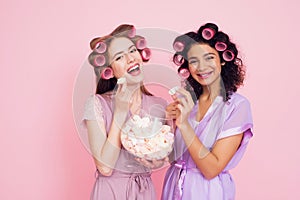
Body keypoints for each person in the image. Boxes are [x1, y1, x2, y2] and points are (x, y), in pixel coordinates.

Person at [161, 23, 253, 200]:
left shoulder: (237, 106)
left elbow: (211, 169)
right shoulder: (189, 102)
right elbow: (173, 158)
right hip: (173, 185)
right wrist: (169, 124)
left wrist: (184, 125)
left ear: (223, 60)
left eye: (209, 57)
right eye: (194, 61)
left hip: (207, 192)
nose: (201, 67)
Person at [82, 24, 168, 200]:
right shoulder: (96, 104)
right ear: (109, 71)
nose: (130, 59)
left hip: (144, 192)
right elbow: (105, 168)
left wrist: (156, 161)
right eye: (120, 57)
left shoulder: (160, 105)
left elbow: (163, 157)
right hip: (110, 192)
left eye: (132, 51)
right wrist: (120, 112)